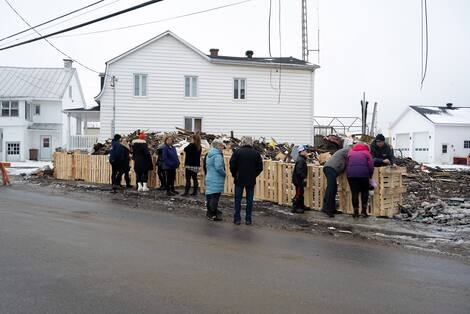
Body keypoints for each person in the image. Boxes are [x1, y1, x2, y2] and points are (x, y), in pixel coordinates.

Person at [229, 136, 263, 225]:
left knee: (238, 199)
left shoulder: (237, 152)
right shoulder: (256, 153)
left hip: (239, 178)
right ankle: (248, 219)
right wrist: (254, 175)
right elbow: (260, 167)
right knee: (249, 200)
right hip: (250, 180)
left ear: (243, 142)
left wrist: (234, 174)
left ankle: (237, 219)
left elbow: (232, 165)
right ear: (251, 142)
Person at [346, 143, 374, 218]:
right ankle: (364, 212)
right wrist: (370, 176)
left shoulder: (350, 152)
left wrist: (348, 175)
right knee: (365, 192)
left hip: (351, 175)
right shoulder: (367, 153)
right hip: (363, 175)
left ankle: (355, 212)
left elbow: (347, 164)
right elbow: (371, 166)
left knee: (354, 193)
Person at [321, 147, 350, 217]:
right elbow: (350, 160)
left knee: (333, 189)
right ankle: (328, 209)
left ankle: (328, 208)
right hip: (331, 168)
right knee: (331, 189)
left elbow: (345, 162)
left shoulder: (345, 151)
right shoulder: (348, 150)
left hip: (329, 168)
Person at [204, 139, 226, 221]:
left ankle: (209, 212)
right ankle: (212, 214)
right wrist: (224, 173)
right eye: (221, 145)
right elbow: (219, 167)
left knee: (209, 196)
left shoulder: (209, 154)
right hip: (216, 178)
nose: (222, 147)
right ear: (218, 146)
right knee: (215, 196)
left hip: (209, 177)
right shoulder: (218, 155)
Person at [292, 145, 309, 214]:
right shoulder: (301, 160)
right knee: (298, 194)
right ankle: (295, 208)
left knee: (301, 193)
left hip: (299, 180)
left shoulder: (301, 159)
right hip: (298, 180)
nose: (307, 152)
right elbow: (299, 171)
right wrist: (304, 177)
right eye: (305, 151)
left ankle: (301, 206)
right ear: (301, 151)